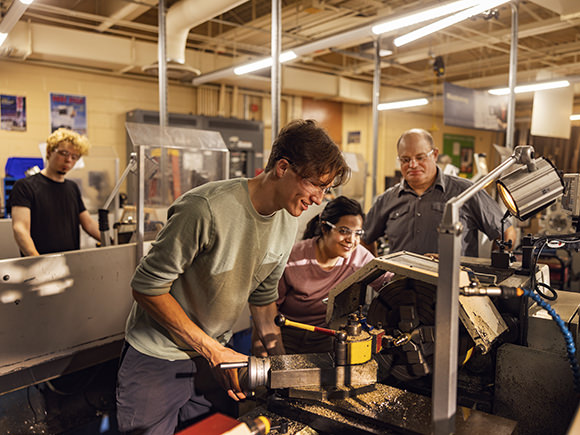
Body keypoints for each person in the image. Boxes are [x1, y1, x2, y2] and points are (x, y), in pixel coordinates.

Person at [116, 119, 350, 434]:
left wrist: (283, 375)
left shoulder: (286, 224)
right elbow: (147, 288)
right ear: (282, 168)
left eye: (326, 188)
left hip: (214, 361)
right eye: (316, 185)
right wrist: (212, 350)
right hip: (157, 359)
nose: (319, 199)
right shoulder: (205, 208)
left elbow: (264, 301)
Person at [362, 128, 516, 257]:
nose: (413, 165)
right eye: (405, 159)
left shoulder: (466, 192)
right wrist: (379, 277)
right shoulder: (387, 199)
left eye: (420, 157)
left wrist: (490, 271)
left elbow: (505, 233)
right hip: (401, 289)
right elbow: (365, 239)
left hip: (455, 289)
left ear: (434, 155)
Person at [269, 196, 392, 355]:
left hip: (329, 338)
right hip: (286, 336)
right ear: (325, 228)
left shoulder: (359, 258)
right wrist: (275, 352)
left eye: (357, 233)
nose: (352, 240)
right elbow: (268, 307)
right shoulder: (293, 259)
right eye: (344, 231)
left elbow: (389, 284)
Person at [10, 128, 101, 256]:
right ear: (49, 152)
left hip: (69, 264)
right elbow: (20, 229)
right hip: (37, 265)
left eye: (74, 157)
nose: (69, 160)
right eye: (64, 153)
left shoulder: (72, 188)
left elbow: (89, 224)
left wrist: (113, 243)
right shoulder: (24, 186)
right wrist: (37, 260)